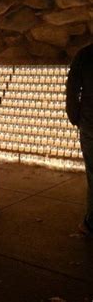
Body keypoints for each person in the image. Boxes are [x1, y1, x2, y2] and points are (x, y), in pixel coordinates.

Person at [66, 43, 93, 235]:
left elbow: (72, 90)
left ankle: (92, 222)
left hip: (91, 123)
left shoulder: (85, 55)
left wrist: (75, 117)